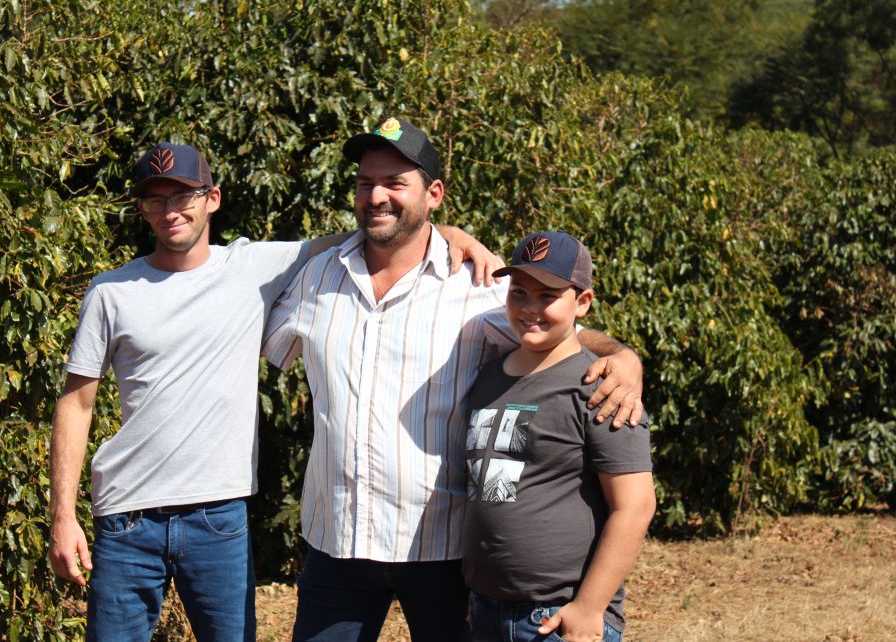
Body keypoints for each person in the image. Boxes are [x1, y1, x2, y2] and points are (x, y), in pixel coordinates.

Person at [46, 141, 496, 642]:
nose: (171, 211)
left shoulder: (254, 269)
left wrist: (444, 232)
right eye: (156, 200)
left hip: (232, 519)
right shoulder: (114, 292)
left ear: (212, 199)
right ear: (141, 209)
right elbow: (76, 401)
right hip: (138, 520)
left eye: (184, 196)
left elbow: (543, 331)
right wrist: (63, 514)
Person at [261, 117, 647, 641]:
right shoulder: (317, 277)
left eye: (395, 183)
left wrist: (622, 355)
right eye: (365, 182)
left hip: (444, 552)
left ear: (434, 193)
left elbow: (553, 329)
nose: (376, 196)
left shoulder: (477, 285)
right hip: (338, 545)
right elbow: (245, 332)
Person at [462, 230, 656, 642]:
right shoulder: (488, 377)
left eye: (548, 296)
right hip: (485, 611)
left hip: (555, 619)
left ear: (582, 302)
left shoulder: (601, 387)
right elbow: (495, 491)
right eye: (519, 292)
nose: (529, 308)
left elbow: (635, 506)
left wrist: (589, 608)